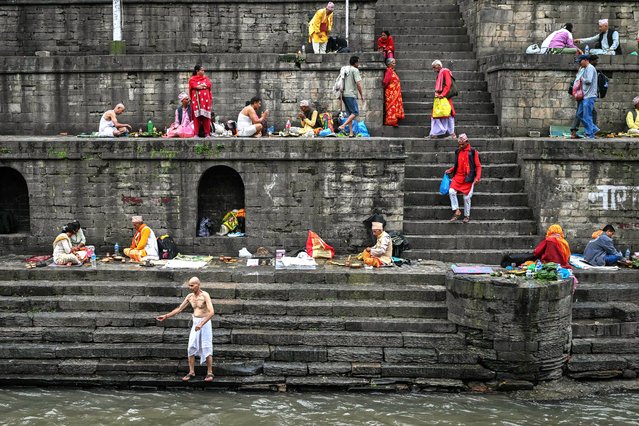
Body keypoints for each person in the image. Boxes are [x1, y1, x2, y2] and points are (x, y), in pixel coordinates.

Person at [156, 277, 215, 382]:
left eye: (192, 285)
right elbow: (179, 309)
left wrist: (201, 324)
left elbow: (211, 312)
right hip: (195, 323)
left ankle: (210, 372)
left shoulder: (205, 295)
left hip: (205, 323)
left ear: (198, 284)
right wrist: (166, 316)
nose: (190, 287)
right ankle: (191, 372)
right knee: (191, 347)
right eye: (189, 285)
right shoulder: (190, 296)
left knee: (206, 347)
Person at [445, 133, 481, 223]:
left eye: (462, 144)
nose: (461, 146)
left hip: (469, 177)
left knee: (466, 198)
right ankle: (456, 210)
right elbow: (457, 165)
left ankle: (466, 216)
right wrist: (451, 170)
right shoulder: (458, 151)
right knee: (451, 191)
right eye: (459, 144)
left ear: (467, 142)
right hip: (458, 177)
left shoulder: (473, 152)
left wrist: (477, 177)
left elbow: (478, 166)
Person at [570, 54, 599, 139]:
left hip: (589, 96)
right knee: (579, 114)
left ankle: (590, 135)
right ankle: (593, 128)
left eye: (580, 61)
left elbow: (589, 81)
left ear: (586, 60)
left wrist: (581, 79)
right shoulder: (584, 68)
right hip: (584, 95)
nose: (579, 63)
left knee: (587, 115)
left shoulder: (590, 68)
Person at [338, 55, 365, 137]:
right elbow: (358, 84)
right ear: (356, 63)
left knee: (350, 114)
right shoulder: (355, 70)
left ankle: (351, 133)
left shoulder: (345, 69)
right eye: (358, 62)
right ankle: (343, 126)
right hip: (350, 94)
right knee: (355, 112)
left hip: (344, 94)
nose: (359, 64)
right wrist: (362, 95)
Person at [429, 60, 456, 139]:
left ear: (438, 66)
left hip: (445, 97)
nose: (434, 70)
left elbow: (448, 84)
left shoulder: (445, 72)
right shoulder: (441, 73)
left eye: (434, 67)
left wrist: (442, 94)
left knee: (449, 114)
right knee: (436, 114)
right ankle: (433, 133)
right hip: (440, 97)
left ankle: (452, 134)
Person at [189, 64, 213, 138]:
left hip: (205, 102)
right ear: (197, 71)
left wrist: (201, 86)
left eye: (203, 70)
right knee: (197, 117)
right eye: (202, 70)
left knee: (206, 117)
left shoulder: (206, 78)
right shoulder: (192, 79)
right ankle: (196, 134)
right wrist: (202, 86)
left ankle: (207, 133)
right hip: (197, 102)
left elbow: (208, 85)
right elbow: (195, 86)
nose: (203, 71)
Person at [383, 58, 405, 127]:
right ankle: (390, 121)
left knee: (394, 107)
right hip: (391, 92)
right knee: (391, 107)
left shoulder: (392, 71)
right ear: (389, 64)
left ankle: (393, 121)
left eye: (394, 63)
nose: (394, 64)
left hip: (394, 92)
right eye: (393, 63)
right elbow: (385, 81)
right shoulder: (389, 71)